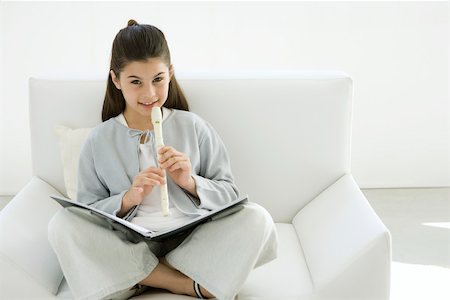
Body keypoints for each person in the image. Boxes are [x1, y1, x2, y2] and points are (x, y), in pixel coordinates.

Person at [48, 19, 278, 300]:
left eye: (158, 79)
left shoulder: (193, 126)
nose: (150, 94)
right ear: (116, 80)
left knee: (258, 218)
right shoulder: (99, 140)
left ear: (170, 73)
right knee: (62, 224)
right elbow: (86, 211)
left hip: (192, 242)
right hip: (129, 243)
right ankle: (179, 282)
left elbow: (231, 194)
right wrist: (128, 199)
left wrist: (190, 182)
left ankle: (140, 276)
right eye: (135, 82)